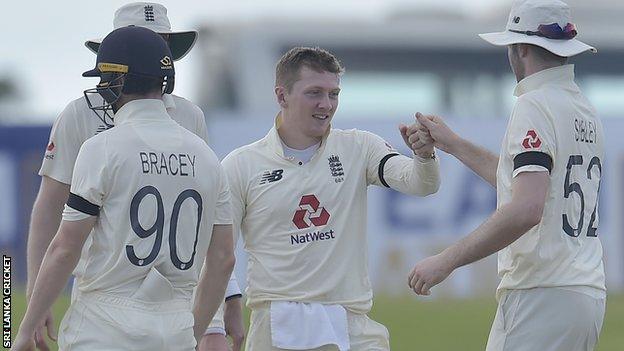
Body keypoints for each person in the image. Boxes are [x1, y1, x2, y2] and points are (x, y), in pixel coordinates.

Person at [26, 3, 244, 350]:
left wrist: (223, 302)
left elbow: (199, 221)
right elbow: (49, 208)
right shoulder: (78, 116)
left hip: (162, 297)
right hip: (115, 289)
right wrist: (37, 294)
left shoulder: (190, 117)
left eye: (157, 44)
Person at [407, 1, 605, 350]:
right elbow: (525, 184)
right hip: (584, 295)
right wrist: (453, 144)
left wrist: (446, 260)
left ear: (521, 48)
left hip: (541, 293)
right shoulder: (583, 108)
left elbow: (527, 208)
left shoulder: (534, 104)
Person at [221, 46, 440, 350]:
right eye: (314, 93)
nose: (326, 104)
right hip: (277, 326)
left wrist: (424, 155)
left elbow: (420, 184)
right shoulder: (241, 164)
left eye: (333, 94)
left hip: (353, 325)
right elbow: (217, 253)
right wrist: (217, 320)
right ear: (281, 96)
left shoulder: (359, 147)